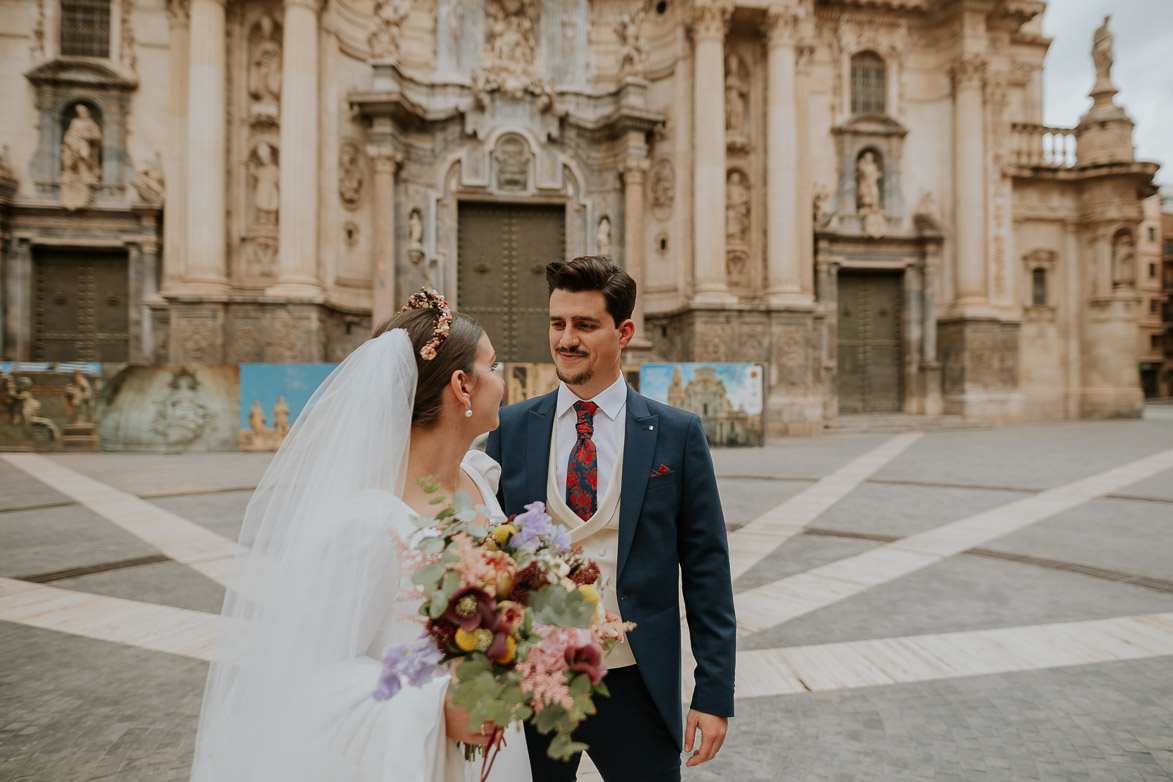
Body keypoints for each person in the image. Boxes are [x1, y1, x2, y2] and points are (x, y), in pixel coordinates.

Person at [190, 290, 529, 782]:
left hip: (498, 742)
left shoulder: (480, 478)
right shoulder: (363, 524)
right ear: (462, 385)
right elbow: (307, 679)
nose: (502, 381)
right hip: (422, 755)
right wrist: (436, 710)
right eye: (493, 366)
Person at [486, 257, 736, 782]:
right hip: (535, 684)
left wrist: (714, 692)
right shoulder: (509, 428)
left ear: (624, 332)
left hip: (636, 681)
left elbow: (707, 570)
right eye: (558, 324)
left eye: (585, 325)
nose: (566, 340)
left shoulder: (677, 433)